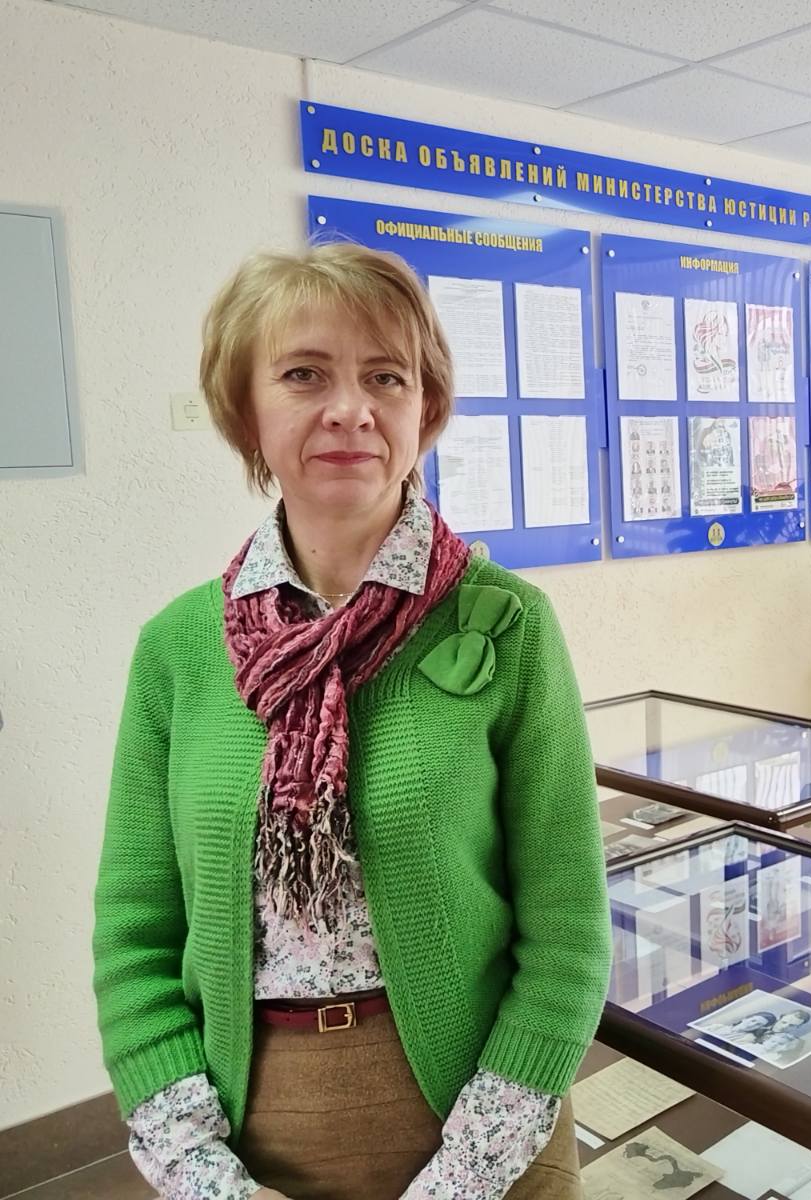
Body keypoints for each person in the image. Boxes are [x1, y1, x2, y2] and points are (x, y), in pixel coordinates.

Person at [91, 242, 611, 1200]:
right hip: (250, 1123)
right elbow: (135, 935)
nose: (350, 409)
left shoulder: (509, 624)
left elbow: (569, 928)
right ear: (245, 410)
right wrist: (203, 1175)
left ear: (426, 409)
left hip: (485, 1113)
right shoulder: (177, 648)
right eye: (303, 374)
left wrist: (467, 1173)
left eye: (386, 376)